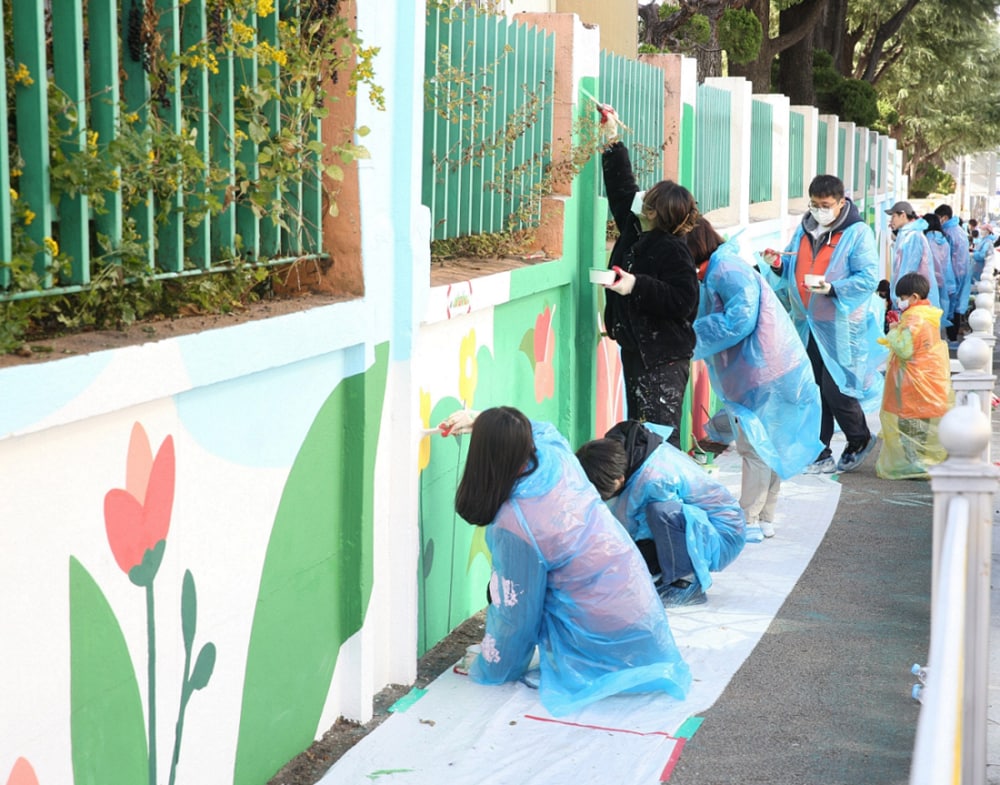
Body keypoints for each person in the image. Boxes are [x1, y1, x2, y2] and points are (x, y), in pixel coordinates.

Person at [442, 406, 691, 716]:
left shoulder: (516, 522)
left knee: (508, 589)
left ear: (482, 459)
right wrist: (480, 420)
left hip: (603, 638)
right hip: (640, 615)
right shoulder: (555, 453)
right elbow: (542, 428)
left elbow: (516, 617)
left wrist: (491, 665)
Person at [686, 219, 823, 538]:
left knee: (755, 447)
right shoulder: (725, 265)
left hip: (763, 371)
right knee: (770, 444)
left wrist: (690, 336)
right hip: (771, 367)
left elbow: (738, 319)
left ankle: (748, 518)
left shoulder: (725, 270)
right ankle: (765, 517)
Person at [762, 174, 881, 474]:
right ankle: (820, 450)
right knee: (812, 387)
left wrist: (833, 288)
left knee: (836, 388)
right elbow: (791, 265)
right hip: (807, 323)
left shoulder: (856, 234)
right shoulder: (805, 230)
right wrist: (778, 264)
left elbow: (868, 277)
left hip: (839, 324)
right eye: (814, 204)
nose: (819, 210)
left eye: (825, 205)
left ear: (841, 202)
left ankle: (859, 438)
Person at [598, 106, 700, 448]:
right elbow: (621, 186)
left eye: (649, 203)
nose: (641, 202)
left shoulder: (673, 249)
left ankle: (666, 500)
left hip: (664, 359)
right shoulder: (636, 227)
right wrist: (611, 138)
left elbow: (685, 301)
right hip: (638, 351)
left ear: (660, 215)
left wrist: (636, 286)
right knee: (642, 436)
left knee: (660, 440)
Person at [575, 420, 745, 605]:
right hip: (694, 527)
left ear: (619, 478)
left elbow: (638, 522)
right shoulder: (627, 454)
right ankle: (669, 570)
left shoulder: (654, 478)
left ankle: (686, 582)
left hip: (722, 534)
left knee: (662, 512)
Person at [875, 273, 953, 480]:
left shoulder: (915, 320)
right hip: (927, 380)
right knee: (921, 423)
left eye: (903, 297)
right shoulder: (929, 314)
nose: (900, 301)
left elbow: (903, 350)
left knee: (908, 423)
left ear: (915, 297)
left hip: (912, 382)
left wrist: (892, 331)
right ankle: (920, 460)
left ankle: (914, 462)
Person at [886, 201, 940, 312]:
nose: (892, 220)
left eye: (894, 216)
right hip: (909, 297)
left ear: (903, 215)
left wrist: (900, 297)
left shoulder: (913, 237)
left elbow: (908, 270)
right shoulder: (906, 234)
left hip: (912, 297)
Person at [934, 203, 971, 342]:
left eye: (938, 218)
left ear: (944, 217)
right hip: (963, 273)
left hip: (953, 275)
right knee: (956, 307)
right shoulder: (959, 230)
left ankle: (952, 338)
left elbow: (945, 257)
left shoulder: (948, 233)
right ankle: (954, 337)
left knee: (950, 308)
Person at [922, 212, 955, 332]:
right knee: (939, 314)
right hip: (943, 281)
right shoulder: (944, 241)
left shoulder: (926, 240)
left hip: (928, 282)